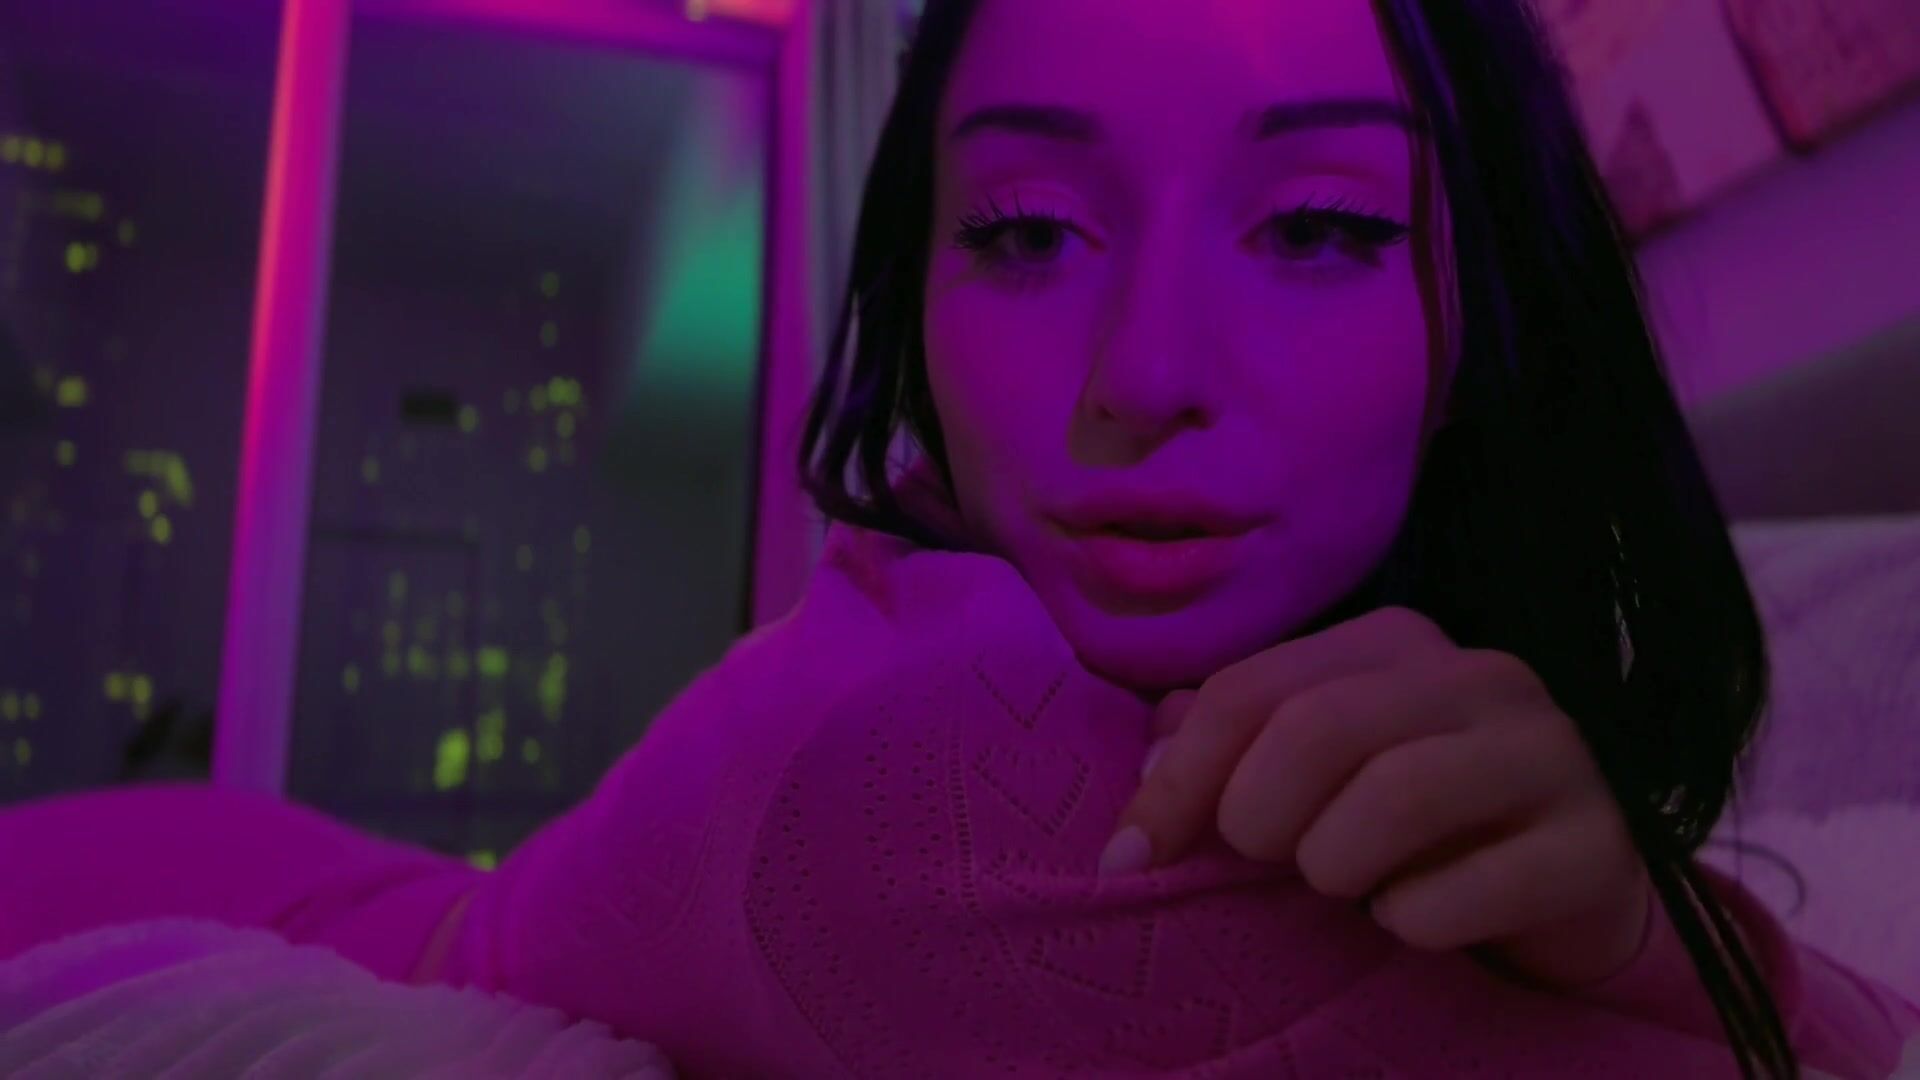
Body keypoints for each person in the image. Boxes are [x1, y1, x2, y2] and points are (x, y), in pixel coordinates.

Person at [1, 1, 1914, 1076]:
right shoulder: (932, 765)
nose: (1145, 372)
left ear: (1489, 315)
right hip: (134, 892)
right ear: (918, 297)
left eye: (1323, 226)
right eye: (1025, 232)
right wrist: (1640, 945)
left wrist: (1612, 915)